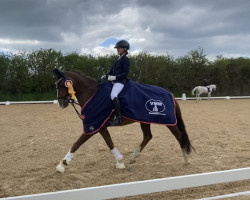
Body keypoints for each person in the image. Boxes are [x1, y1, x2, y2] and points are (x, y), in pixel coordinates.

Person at [102, 40, 130, 126]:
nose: (117, 49)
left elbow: (125, 73)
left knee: (113, 95)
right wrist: (106, 76)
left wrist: (114, 77)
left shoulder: (125, 60)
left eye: (119, 48)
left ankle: (119, 118)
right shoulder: (117, 59)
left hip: (120, 82)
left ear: (125, 49)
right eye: (117, 48)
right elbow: (111, 71)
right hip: (113, 82)